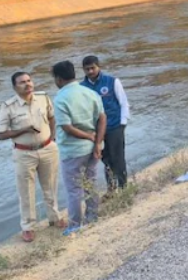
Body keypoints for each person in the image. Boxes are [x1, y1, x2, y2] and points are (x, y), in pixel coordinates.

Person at [0, 72, 66, 243]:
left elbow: (51, 118)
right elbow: (1, 134)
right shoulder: (8, 106)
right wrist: (23, 130)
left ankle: (55, 217)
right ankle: (28, 227)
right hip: (24, 153)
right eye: (22, 82)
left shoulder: (43, 98)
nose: (27, 84)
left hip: (48, 148)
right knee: (26, 190)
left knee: (51, 185)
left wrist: (52, 137)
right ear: (14, 87)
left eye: (29, 81)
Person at [52, 60, 106, 235]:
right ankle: (93, 217)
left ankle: (75, 225)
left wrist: (88, 136)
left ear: (58, 79)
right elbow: (102, 118)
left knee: (74, 188)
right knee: (90, 182)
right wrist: (97, 142)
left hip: (73, 150)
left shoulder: (60, 97)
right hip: (92, 148)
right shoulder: (89, 92)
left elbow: (67, 127)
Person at [81, 56, 130, 194]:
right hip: (95, 131)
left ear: (98, 66)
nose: (90, 71)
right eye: (87, 69)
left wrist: (123, 123)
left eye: (93, 68)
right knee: (105, 158)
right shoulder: (82, 88)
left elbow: (123, 102)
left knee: (118, 158)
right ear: (83, 70)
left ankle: (124, 187)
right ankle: (111, 188)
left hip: (114, 126)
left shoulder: (112, 82)